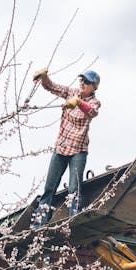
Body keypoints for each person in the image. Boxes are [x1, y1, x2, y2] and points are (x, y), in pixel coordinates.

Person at [30, 68, 101, 225]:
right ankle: (39, 225)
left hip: (78, 151)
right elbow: (53, 87)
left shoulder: (94, 102)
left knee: (74, 189)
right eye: (82, 80)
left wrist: (78, 102)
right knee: (49, 188)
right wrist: (44, 77)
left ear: (93, 87)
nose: (83, 83)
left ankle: (72, 222)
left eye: (87, 82)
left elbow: (92, 112)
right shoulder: (71, 92)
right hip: (61, 147)